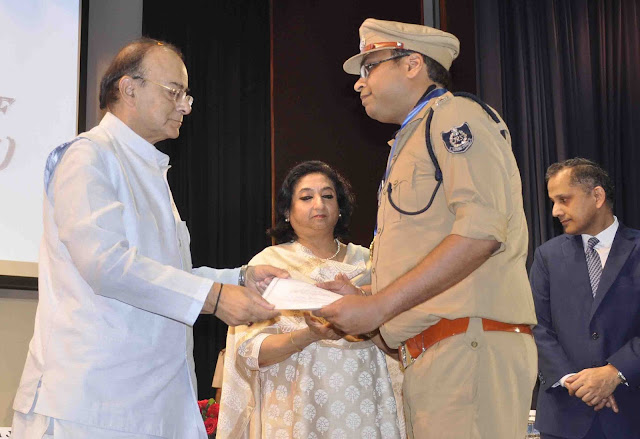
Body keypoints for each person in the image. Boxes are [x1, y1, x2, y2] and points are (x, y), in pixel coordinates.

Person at [11, 38, 286, 439]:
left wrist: (239, 279)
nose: (185, 106)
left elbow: (165, 274)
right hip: (93, 402)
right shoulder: (89, 155)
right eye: (174, 91)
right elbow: (106, 264)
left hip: (148, 403)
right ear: (129, 88)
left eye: (187, 95)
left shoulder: (147, 167)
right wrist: (214, 298)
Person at [315, 19, 538, 439]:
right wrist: (366, 301)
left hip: (466, 346)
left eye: (370, 67)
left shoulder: (454, 116)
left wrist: (379, 306)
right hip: (437, 352)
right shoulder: (412, 139)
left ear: (412, 63)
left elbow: (482, 233)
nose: (360, 83)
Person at [218, 161, 404, 439]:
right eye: (306, 197)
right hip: (297, 408)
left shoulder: (371, 263)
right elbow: (249, 351)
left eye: (328, 196)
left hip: (369, 402)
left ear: (340, 208)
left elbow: (398, 339)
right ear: (287, 211)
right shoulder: (269, 265)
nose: (319, 204)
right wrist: (308, 335)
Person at [530, 158, 640, 439]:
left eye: (563, 200)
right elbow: (536, 327)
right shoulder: (547, 256)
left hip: (630, 413)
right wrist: (575, 383)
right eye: (553, 202)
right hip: (564, 417)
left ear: (597, 196)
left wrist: (615, 372)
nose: (555, 211)